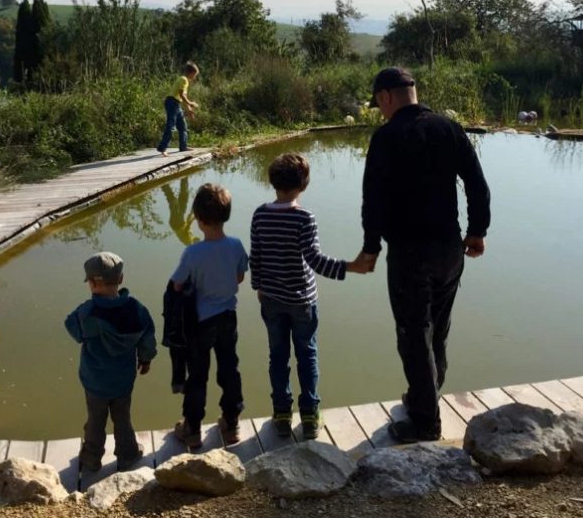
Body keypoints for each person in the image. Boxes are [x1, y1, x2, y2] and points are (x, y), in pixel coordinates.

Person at [355, 67, 491, 443]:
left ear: (386, 97)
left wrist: (370, 248)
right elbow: (477, 183)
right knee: (438, 331)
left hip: (410, 254)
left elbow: (373, 199)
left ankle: (425, 423)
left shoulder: (386, 137)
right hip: (449, 249)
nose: (381, 111)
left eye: (379, 104)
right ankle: (423, 398)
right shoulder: (449, 128)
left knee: (413, 335)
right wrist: (477, 231)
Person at [250, 153, 368, 440]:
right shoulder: (304, 217)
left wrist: (258, 286)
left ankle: (281, 414)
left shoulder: (260, 214)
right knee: (307, 355)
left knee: (278, 356)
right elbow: (314, 260)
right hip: (302, 301)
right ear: (303, 184)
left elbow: (256, 256)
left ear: (273, 181)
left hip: (271, 299)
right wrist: (349, 267)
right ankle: (310, 416)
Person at [170, 184, 248, 448]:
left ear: (198, 219)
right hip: (228, 317)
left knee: (197, 374)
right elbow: (239, 277)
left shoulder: (193, 253)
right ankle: (231, 423)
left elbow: (177, 284)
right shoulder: (236, 245)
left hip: (200, 322)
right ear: (226, 215)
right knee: (229, 368)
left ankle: (192, 428)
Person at [64, 252, 156, 473]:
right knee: (122, 418)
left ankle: (91, 459)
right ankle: (128, 455)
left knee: (95, 419)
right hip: (123, 380)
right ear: (121, 279)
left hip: (94, 381)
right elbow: (147, 338)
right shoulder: (137, 309)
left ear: (92, 283)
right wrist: (145, 359)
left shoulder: (86, 313)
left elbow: (72, 328)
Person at [157, 62, 200, 155]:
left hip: (176, 103)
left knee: (182, 126)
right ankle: (162, 148)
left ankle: (183, 146)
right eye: (195, 75)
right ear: (191, 73)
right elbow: (181, 95)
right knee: (171, 126)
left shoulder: (184, 80)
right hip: (172, 103)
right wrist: (191, 103)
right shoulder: (184, 79)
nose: (194, 77)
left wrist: (189, 110)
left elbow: (183, 97)